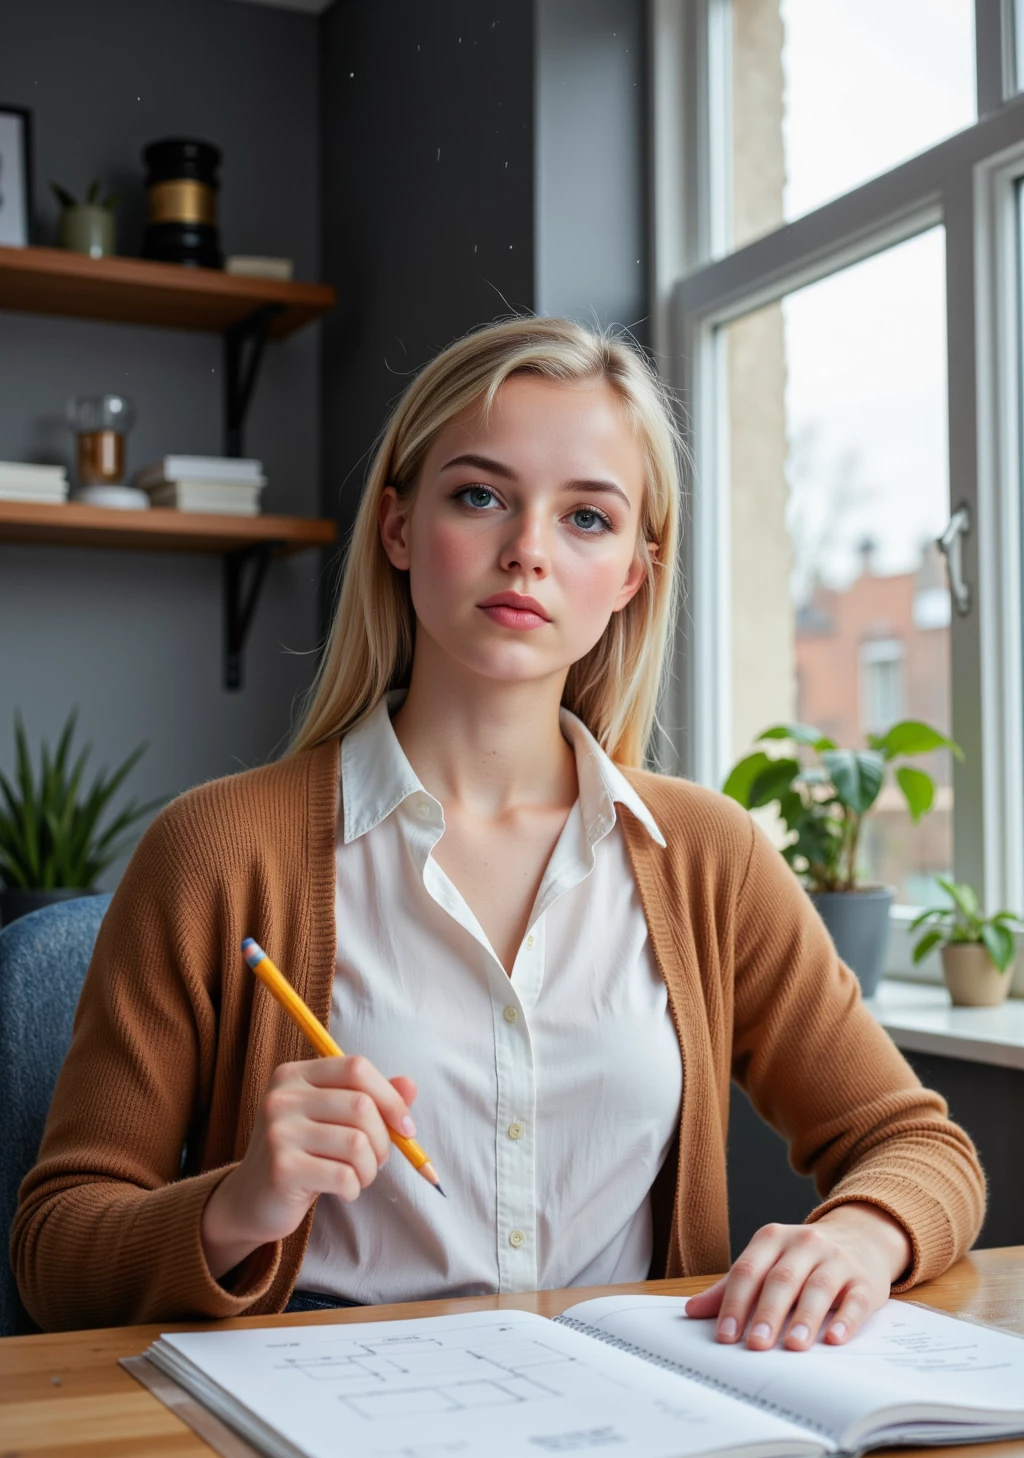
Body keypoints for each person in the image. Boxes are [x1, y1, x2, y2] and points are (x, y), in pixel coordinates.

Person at [13, 317, 984, 1346]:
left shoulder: (707, 855)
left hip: (631, 1433)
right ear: (396, 528)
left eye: (587, 519)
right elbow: (55, 1250)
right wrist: (238, 1204)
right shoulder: (213, 850)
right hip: (318, 1425)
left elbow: (917, 1147)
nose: (526, 551)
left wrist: (863, 1237)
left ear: (633, 576)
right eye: (480, 497)